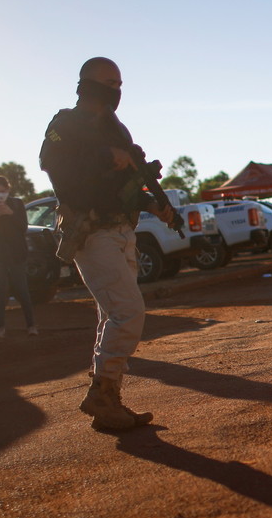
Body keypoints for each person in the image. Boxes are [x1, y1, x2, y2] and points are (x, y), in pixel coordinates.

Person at [39, 57, 176, 430]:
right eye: (107, 83)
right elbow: (50, 161)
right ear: (85, 83)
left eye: (119, 83)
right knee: (129, 312)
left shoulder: (118, 129)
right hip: (90, 231)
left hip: (121, 231)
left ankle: (107, 398)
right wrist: (104, 156)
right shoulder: (65, 123)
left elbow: (125, 189)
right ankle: (102, 394)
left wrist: (152, 203)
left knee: (112, 314)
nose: (114, 90)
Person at [0, 175, 37, 339]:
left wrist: (11, 213)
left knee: (22, 290)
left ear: (8, 190)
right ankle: (0, 327)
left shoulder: (17, 204)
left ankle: (31, 325)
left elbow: (23, 227)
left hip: (16, 253)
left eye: (3, 191)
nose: (0, 195)